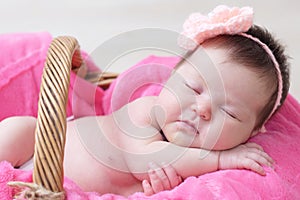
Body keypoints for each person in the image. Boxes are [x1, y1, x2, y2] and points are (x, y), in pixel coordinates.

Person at [0, 5, 290, 196]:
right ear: (170, 76)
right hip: (36, 153)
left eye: (228, 112)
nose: (202, 109)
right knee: (19, 128)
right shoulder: (147, 111)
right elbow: (146, 158)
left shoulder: (195, 180)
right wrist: (220, 159)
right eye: (193, 87)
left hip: (67, 191)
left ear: (252, 133)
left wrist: (153, 190)